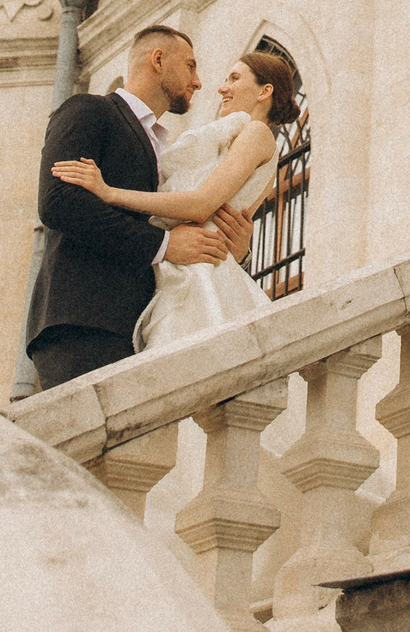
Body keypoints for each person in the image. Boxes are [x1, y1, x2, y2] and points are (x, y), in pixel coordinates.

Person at [27, 25, 254, 389]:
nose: (198, 82)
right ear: (158, 60)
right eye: (191, 66)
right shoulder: (89, 110)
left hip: (147, 326)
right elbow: (59, 203)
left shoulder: (167, 148)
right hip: (87, 322)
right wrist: (163, 245)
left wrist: (234, 251)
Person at [51, 48, 300, 352]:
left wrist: (109, 193)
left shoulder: (258, 133)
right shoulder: (236, 140)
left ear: (264, 91)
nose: (222, 88)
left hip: (200, 275)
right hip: (189, 266)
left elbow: (201, 205)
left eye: (234, 79)